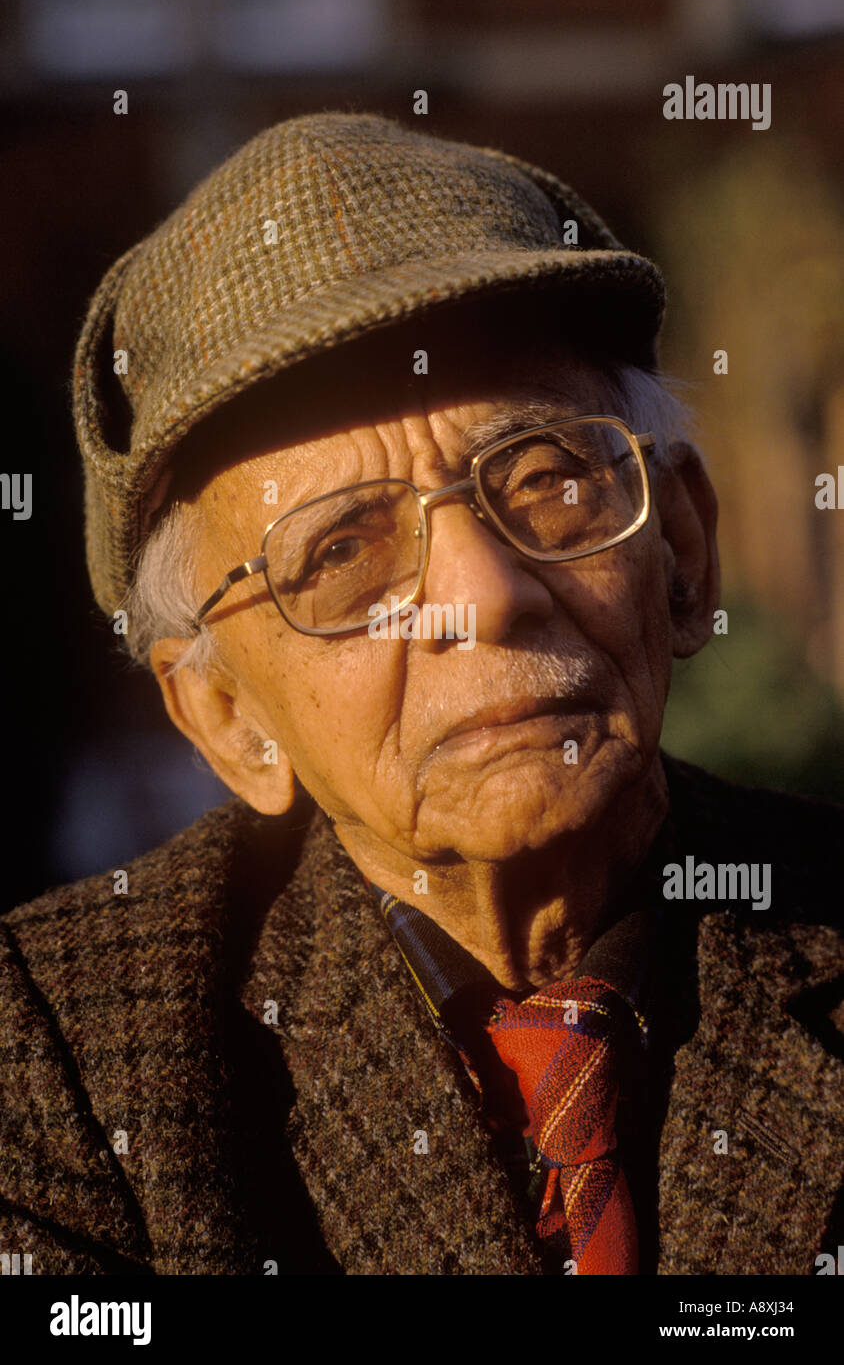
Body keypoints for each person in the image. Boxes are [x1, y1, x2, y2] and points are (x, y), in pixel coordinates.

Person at [1, 112, 841, 1276]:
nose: (486, 594)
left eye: (545, 477)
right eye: (341, 552)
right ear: (227, 718)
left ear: (684, 549)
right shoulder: (63, 1061)